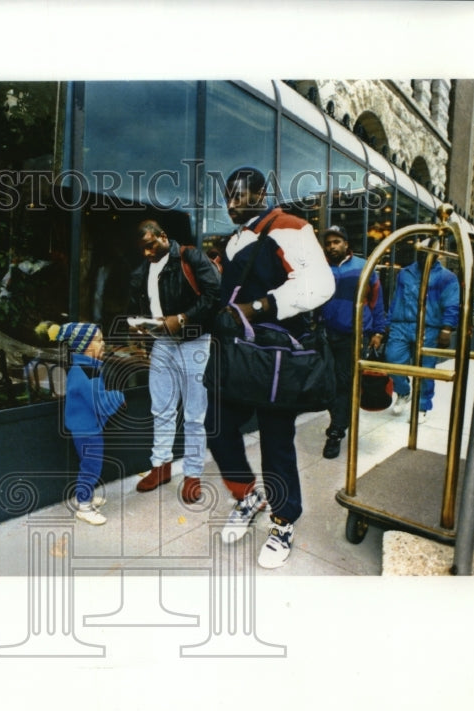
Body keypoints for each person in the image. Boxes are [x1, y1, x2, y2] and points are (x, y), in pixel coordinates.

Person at [207, 167, 335, 569]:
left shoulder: (290, 227)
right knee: (217, 424)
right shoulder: (234, 240)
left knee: (276, 440)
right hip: (238, 350)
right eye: (227, 197)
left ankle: (283, 522)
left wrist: (259, 307)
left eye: (240, 196)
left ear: (262, 193)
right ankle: (248, 497)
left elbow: (320, 285)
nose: (231, 204)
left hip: (277, 352)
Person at [129, 220, 220, 503]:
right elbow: (139, 305)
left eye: (150, 245)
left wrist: (182, 319)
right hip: (162, 343)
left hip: (194, 341)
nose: (146, 253)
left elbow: (216, 294)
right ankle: (161, 466)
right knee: (161, 408)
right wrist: (142, 326)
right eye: (142, 249)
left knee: (194, 414)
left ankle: (192, 474)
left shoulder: (190, 257)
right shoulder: (143, 270)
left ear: (163, 236)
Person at [318, 225, 388, 459]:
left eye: (337, 242)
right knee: (327, 384)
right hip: (325, 335)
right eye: (328, 243)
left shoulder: (363, 267)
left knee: (343, 384)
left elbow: (376, 300)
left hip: (354, 336)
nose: (332, 246)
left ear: (346, 244)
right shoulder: (321, 268)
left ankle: (336, 431)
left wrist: (378, 331)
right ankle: (339, 420)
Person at [55, 321, 125, 525]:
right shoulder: (85, 372)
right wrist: (119, 396)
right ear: (83, 345)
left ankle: (85, 495)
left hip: (86, 427)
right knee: (91, 466)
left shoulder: (86, 368)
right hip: (86, 430)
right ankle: (84, 507)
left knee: (89, 464)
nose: (103, 344)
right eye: (98, 340)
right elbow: (100, 403)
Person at [384, 239, 460, 422]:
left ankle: (422, 406)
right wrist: (388, 322)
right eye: (420, 251)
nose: (423, 255)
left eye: (427, 252)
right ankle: (403, 392)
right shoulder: (405, 273)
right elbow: (397, 299)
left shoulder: (447, 277)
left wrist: (446, 329)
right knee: (392, 359)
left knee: (426, 369)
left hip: (429, 327)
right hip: (401, 324)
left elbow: (451, 304)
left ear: (436, 254)